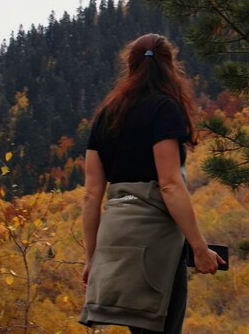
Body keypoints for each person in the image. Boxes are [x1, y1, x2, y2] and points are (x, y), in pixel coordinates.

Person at [79, 33, 225, 334]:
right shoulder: (164, 109)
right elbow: (170, 184)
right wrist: (198, 248)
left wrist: (92, 258)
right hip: (154, 241)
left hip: (114, 237)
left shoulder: (107, 114)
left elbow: (92, 194)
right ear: (169, 66)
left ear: (130, 66)